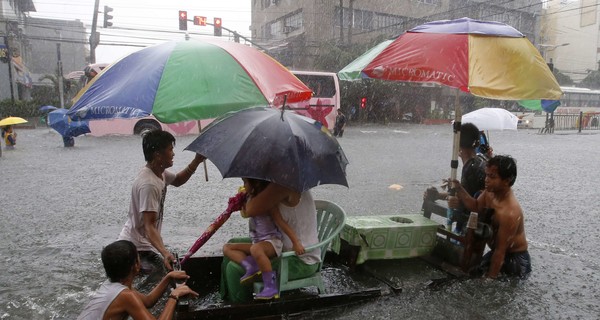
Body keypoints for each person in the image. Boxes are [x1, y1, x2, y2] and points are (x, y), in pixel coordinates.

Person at [117, 130, 206, 288]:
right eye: (170, 149)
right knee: (164, 278)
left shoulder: (159, 173)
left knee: (161, 278)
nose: (173, 154)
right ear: (158, 155)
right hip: (136, 248)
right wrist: (165, 253)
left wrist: (197, 161)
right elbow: (149, 225)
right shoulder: (149, 184)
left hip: (140, 243)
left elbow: (178, 180)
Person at [220, 182, 320, 302]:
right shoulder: (281, 182)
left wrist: (245, 195)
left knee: (234, 268)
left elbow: (251, 210)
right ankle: (225, 299)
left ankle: (243, 308)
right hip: (282, 244)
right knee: (231, 244)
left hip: (300, 258)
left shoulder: (282, 186)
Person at [452, 155, 531, 280]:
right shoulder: (490, 193)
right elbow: (476, 206)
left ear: (507, 181)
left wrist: (490, 279)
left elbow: (500, 251)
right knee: (473, 275)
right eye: (486, 175)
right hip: (497, 253)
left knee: (489, 284)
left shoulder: (510, 213)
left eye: (492, 177)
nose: (486, 180)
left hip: (515, 260)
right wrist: (459, 188)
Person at [77, 240, 198, 320]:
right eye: (138, 257)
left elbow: (148, 301)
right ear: (135, 265)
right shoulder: (125, 296)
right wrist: (174, 296)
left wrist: (168, 277)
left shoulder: (114, 285)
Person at [424, 122, 487, 234]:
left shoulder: (471, 168)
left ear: (458, 143)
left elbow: (463, 201)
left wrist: (448, 197)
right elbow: (466, 195)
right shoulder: (480, 160)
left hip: (471, 228)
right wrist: (439, 195)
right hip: (479, 225)